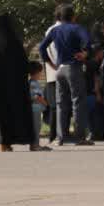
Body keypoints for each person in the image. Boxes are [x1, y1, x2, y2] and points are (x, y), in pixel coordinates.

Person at [38, 4, 93, 145]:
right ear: (73, 16)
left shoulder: (55, 30)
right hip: (73, 67)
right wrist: (85, 52)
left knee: (61, 103)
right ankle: (79, 137)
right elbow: (87, 41)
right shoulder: (77, 28)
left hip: (59, 69)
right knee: (78, 101)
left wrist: (50, 63)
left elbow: (42, 47)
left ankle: (61, 137)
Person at [0, 13, 37, 152]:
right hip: (13, 86)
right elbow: (21, 63)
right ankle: (5, 143)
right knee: (14, 112)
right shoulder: (11, 40)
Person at [42, 8, 63, 144]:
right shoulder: (63, 30)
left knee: (55, 106)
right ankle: (58, 134)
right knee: (60, 105)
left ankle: (53, 134)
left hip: (52, 73)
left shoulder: (49, 30)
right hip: (62, 71)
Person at [27, 61, 50, 151]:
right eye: (40, 72)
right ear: (37, 73)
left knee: (35, 127)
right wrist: (45, 103)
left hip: (33, 109)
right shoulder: (34, 83)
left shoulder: (30, 82)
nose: (41, 75)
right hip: (35, 109)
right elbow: (37, 97)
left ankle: (33, 145)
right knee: (36, 128)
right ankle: (35, 145)